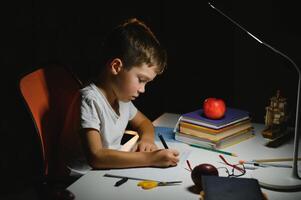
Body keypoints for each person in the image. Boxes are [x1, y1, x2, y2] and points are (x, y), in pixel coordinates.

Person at [61, 18, 179, 176]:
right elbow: (96, 157)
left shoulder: (122, 97)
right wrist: (150, 158)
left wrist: (147, 140)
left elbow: (144, 123)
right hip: (80, 178)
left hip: (105, 172)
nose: (143, 89)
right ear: (116, 67)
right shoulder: (90, 99)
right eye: (141, 80)